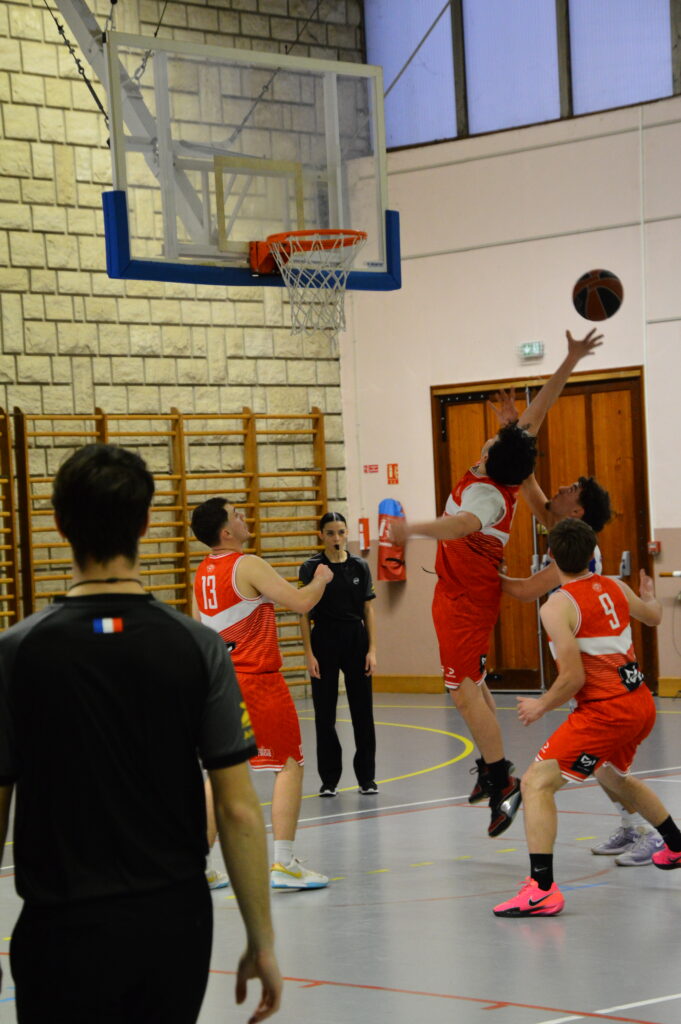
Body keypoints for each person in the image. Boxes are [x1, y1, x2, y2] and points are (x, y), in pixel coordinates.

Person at [0, 444, 281, 1024]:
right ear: (147, 523)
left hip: (60, 927)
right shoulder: (198, 648)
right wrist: (262, 940)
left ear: (60, 526)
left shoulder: (16, 653)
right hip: (172, 923)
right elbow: (237, 809)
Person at [390, 329, 603, 837]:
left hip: (467, 600)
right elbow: (536, 416)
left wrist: (412, 529)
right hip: (460, 590)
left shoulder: (489, 498)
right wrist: (570, 359)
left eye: (492, 445)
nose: (486, 446)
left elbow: (459, 526)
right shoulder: (507, 466)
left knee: (462, 691)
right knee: (472, 684)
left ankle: (501, 778)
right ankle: (492, 771)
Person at [493, 519, 681, 918]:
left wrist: (541, 704)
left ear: (550, 557)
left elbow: (573, 677)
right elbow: (653, 616)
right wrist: (651, 596)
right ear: (593, 552)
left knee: (536, 783)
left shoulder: (557, 607)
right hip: (640, 703)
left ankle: (542, 889)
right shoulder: (615, 586)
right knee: (612, 775)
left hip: (606, 711)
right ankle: (677, 844)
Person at [502, 474, 664, 865]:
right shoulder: (582, 553)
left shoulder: (570, 575)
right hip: (620, 690)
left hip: (603, 691)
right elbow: (536, 497)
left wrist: (481, 575)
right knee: (605, 769)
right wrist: (521, 459)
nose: (560, 489)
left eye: (571, 490)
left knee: (562, 776)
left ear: (577, 512)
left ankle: (652, 834)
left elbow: (524, 591)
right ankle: (640, 828)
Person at [191, 497, 333, 891]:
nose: (244, 517)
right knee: (289, 764)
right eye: (236, 515)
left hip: (219, 684)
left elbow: (199, 629)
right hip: (257, 681)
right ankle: (284, 863)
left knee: (220, 774)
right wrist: (321, 579)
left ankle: (198, 865)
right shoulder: (246, 564)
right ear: (226, 532)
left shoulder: (202, 571)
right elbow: (301, 602)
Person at [299, 512, 377, 797]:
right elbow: (304, 612)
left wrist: (372, 650)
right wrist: (309, 654)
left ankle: (366, 778)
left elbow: (368, 609)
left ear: (347, 533)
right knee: (325, 714)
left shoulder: (359, 566)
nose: (336, 538)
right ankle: (329, 780)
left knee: (362, 712)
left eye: (341, 532)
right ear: (321, 535)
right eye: (330, 533)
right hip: (324, 639)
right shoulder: (311, 567)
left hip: (355, 639)